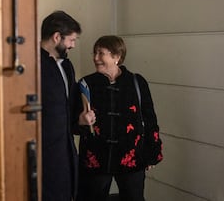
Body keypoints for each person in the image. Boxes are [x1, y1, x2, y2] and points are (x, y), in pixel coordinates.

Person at [76, 35, 163, 201]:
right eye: (94, 53)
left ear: (117, 56)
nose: (95, 58)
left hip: (131, 158)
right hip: (95, 160)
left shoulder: (137, 82)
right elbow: (73, 121)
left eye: (101, 53)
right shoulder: (85, 84)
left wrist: (152, 153)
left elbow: (150, 120)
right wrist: (80, 121)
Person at [40, 10, 93, 201]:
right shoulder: (31, 66)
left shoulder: (67, 66)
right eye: (71, 39)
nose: (73, 44)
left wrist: (80, 119)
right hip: (42, 154)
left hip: (66, 151)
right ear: (56, 37)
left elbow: (70, 108)